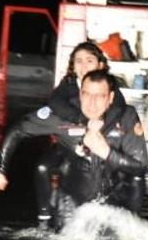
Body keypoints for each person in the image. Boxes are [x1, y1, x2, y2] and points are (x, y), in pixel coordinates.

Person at [0, 70, 148, 229]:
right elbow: (18, 129)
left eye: (99, 96)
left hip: (115, 203)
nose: (92, 102)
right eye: (87, 94)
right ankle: (51, 220)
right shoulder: (63, 116)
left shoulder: (126, 116)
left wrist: (106, 151)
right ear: (80, 94)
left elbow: (140, 167)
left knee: (136, 179)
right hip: (72, 203)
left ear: (110, 98)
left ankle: (132, 222)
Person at [32, 42, 130, 224]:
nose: (83, 66)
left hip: (100, 144)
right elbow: (55, 102)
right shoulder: (68, 84)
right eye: (78, 61)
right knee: (42, 167)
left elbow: (119, 110)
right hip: (68, 143)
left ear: (100, 65)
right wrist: (83, 120)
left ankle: (120, 218)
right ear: (72, 65)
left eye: (89, 61)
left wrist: (99, 131)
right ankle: (43, 219)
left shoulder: (109, 86)